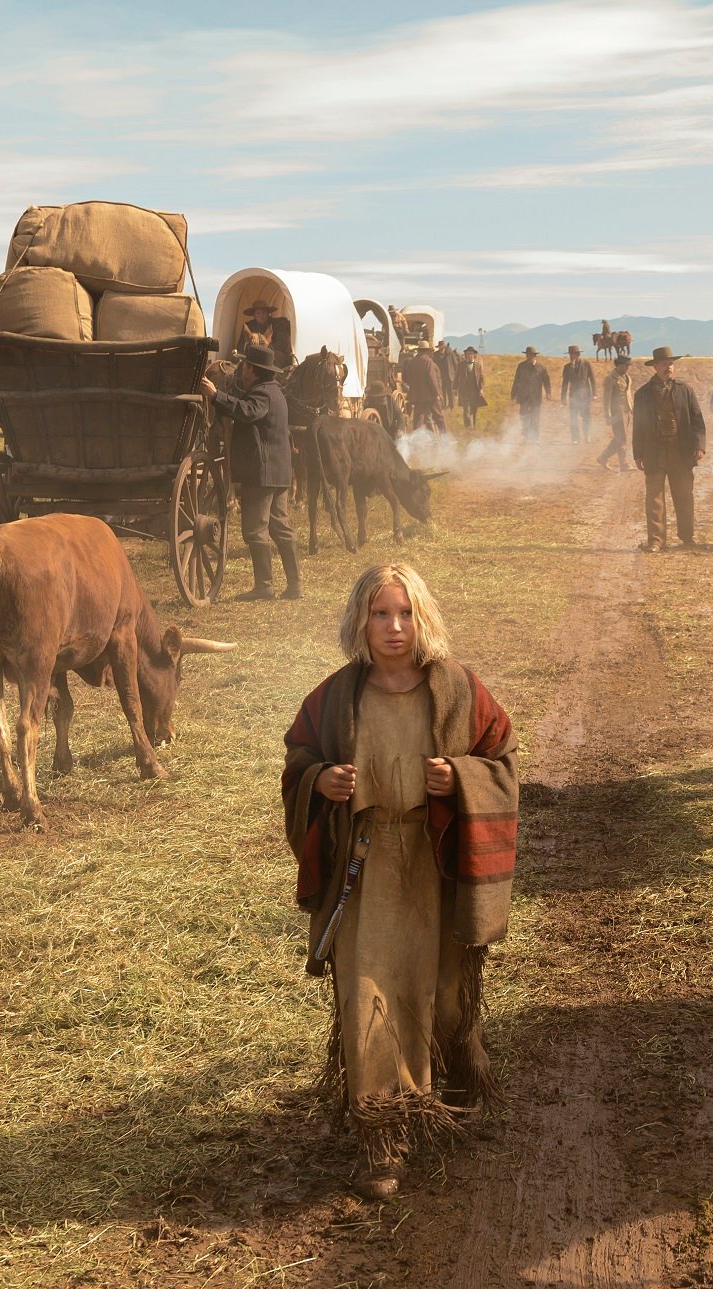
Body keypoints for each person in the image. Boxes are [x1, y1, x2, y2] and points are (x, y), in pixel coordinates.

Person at [282, 563, 519, 1199]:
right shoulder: (335, 697)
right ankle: (385, 1139)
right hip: (368, 868)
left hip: (437, 861)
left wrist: (461, 778)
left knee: (443, 996)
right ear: (360, 620)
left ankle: (453, 1081)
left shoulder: (459, 691)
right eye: (381, 614)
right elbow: (299, 759)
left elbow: (502, 762)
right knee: (370, 997)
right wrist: (322, 782)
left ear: (425, 620)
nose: (394, 628)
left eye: (406, 614)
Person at [202, 342, 300, 600]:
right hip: (277, 473)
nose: (241, 369)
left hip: (262, 473)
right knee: (280, 527)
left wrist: (215, 396)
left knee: (255, 530)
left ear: (252, 369)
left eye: (244, 365)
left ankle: (264, 587)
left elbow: (246, 412)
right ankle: (294, 585)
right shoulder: (274, 392)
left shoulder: (261, 394)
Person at [631, 347, 706, 551]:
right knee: (654, 498)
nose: (668, 367)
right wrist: (638, 453)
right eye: (664, 364)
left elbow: (698, 420)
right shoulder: (642, 394)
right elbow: (638, 426)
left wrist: (699, 445)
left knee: (684, 494)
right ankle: (656, 540)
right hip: (654, 451)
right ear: (654, 367)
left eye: (671, 363)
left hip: (680, 451)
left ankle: (687, 537)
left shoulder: (685, 390)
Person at [509, 346, 552, 445]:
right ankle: (525, 436)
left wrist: (548, 392)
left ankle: (535, 438)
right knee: (523, 416)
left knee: (535, 417)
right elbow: (516, 380)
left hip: (536, 397)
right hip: (523, 396)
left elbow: (546, 381)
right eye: (527, 355)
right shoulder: (521, 366)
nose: (529, 357)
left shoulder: (541, 368)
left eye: (531, 355)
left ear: (535, 356)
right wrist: (513, 393)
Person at [597, 357, 633, 472]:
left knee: (620, 437)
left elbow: (628, 394)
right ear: (618, 365)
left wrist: (632, 408)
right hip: (616, 412)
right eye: (625, 365)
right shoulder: (610, 379)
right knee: (621, 438)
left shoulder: (626, 377)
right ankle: (623, 463)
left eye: (628, 365)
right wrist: (607, 415)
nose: (627, 368)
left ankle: (604, 457)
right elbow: (606, 399)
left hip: (626, 411)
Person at [403, 345, 447, 435]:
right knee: (439, 417)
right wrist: (437, 393)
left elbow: (407, 378)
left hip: (417, 396)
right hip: (430, 396)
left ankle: (415, 441)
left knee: (418, 420)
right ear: (427, 351)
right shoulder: (428, 361)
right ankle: (445, 438)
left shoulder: (412, 362)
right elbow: (432, 379)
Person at [560, 345, 596, 449]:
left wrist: (595, 394)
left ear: (578, 354)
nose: (572, 356)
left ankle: (587, 435)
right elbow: (565, 383)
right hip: (573, 397)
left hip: (585, 395)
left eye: (574, 354)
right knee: (573, 418)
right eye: (570, 355)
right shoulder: (567, 367)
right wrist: (563, 397)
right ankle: (575, 438)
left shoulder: (586, 364)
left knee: (586, 417)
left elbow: (592, 379)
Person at [242, 300, 295, 369]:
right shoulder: (249, 326)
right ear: (254, 315)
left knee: (277, 356)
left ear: (268, 313)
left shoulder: (278, 324)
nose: (261, 315)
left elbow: (282, 344)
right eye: (258, 313)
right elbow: (241, 345)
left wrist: (264, 350)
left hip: (272, 356)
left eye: (263, 312)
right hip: (253, 355)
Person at [459, 347, 487, 429]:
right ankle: (468, 427)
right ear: (465, 355)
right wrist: (454, 389)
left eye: (471, 354)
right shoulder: (461, 365)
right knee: (466, 410)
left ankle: (473, 425)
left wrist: (481, 389)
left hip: (475, 391)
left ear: (474, 355)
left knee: (474, 410)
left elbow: (481, 377)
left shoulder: (478, 365)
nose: (469, 356)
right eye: (468, 354)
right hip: (465, 392)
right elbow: (457, 377)